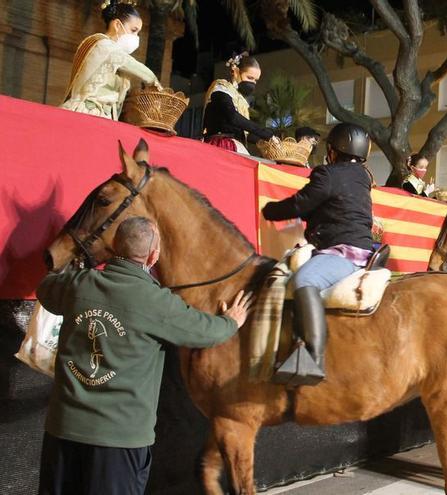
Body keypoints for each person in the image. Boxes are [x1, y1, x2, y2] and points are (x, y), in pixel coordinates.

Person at [36, 217, 253, 495]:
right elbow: (206, 333)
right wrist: (232, 321)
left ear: (113, 248)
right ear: (154, 255)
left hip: (62, 431)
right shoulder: (156, 302)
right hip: (118, 443)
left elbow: (47, 286)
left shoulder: (78, 285)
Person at [261, 123, 374, 386]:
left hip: (343, 251)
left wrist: (270, 210)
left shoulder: (328, 174)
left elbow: (303, 202)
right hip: (359, 247)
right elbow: (330, 207)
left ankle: (312, 357)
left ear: (333, 151)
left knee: (304, 280)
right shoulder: (362, 176)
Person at [60, 0, 160, 120]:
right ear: (117, 25)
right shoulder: (103, 45)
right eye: (133, 30)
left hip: (104, 117)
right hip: (88, 113)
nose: (136, 37)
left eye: (138, 33)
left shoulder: (115, 58)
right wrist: (155, 83)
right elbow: (137, 68)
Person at [202, 52, 276, 154]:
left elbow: (243, 131)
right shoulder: (221, 88)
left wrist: (268, 140)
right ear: (236, 72)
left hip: (236, 144)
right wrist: (263, 132)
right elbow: (232, 116)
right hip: (221, 145)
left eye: (256, 80)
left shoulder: (239, 98)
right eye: (250, 78)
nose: (253, 83)